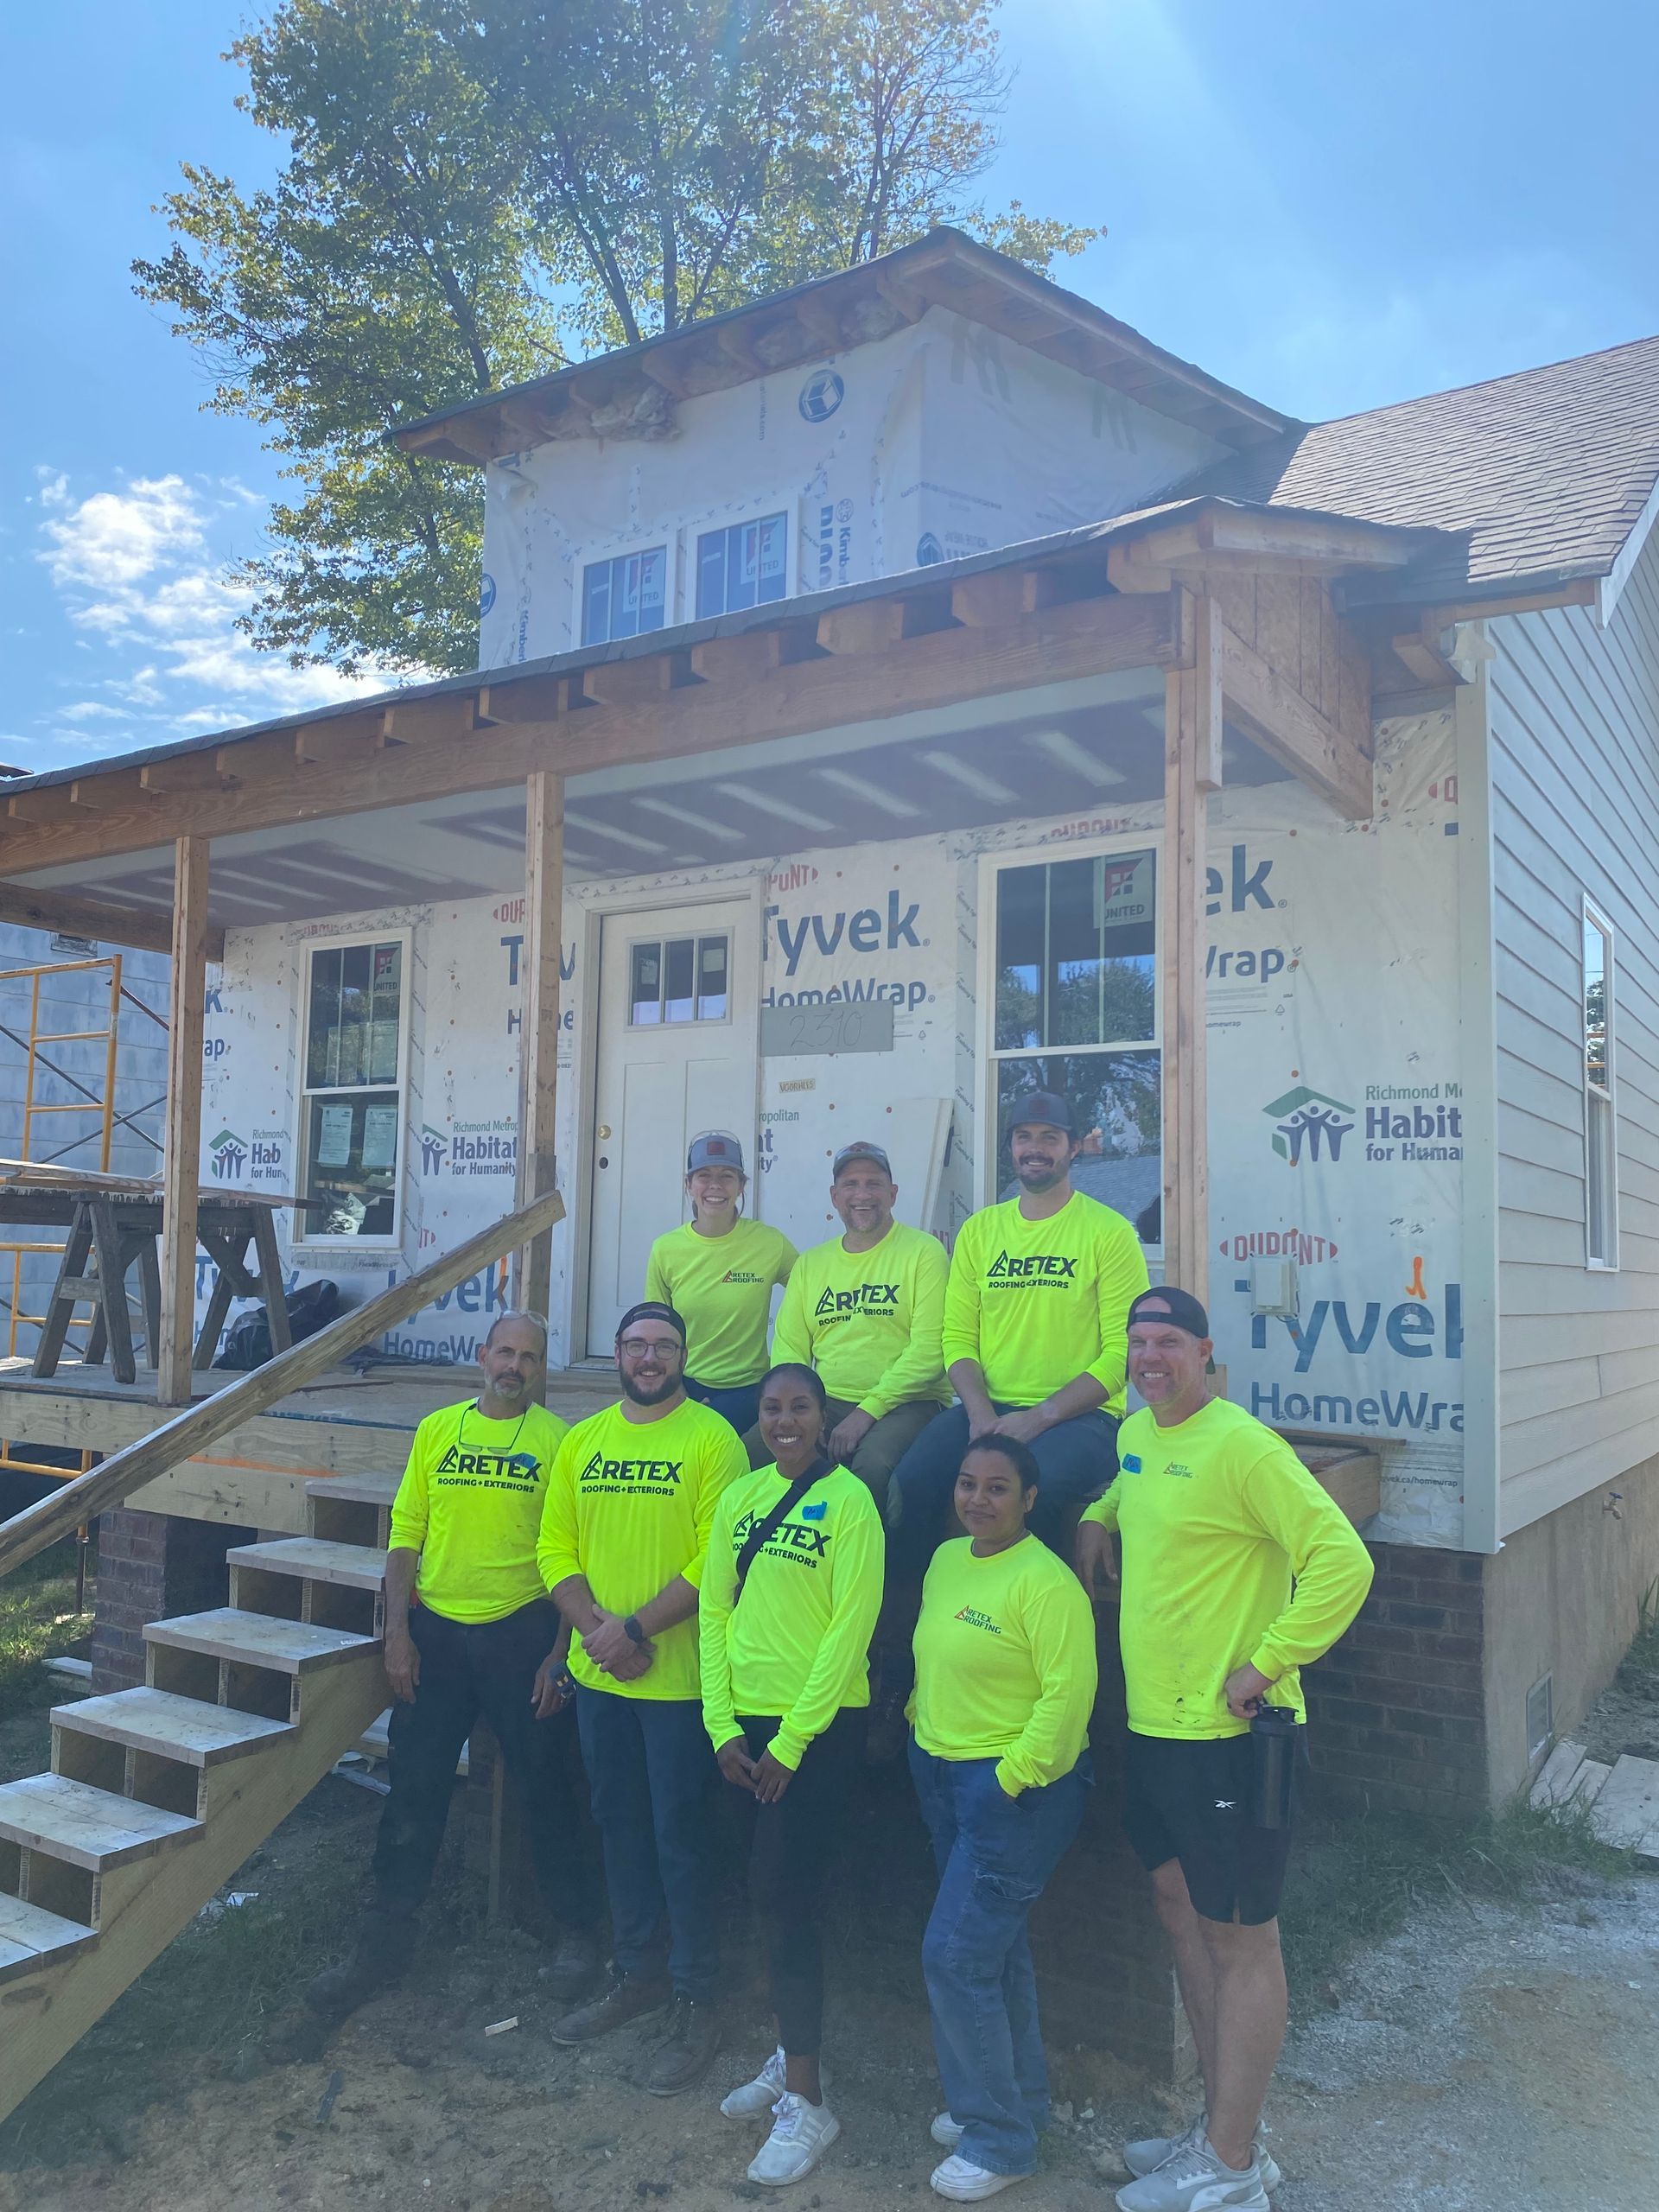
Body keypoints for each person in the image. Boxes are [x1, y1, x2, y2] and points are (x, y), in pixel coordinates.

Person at [1076, 1288, 1375, 2212]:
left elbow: (1343, 1560)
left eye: (1168, 1340)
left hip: (1233, 1740)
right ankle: (1217, 2130)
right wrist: (1096, 1516)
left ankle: (1237, 2165)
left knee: (1243, 1939)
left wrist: (1266, 1662)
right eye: (1138, 1340)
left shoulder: (1244, 1444)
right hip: (1157, 1729)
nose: (1150, 1355)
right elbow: (1134, 1486)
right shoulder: (1139, 1431)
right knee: (1184, 1914)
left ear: (1206, 1353)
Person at [305, 1311, 601, 2018]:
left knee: (549, 1790)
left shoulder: (562, 1443)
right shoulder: (438, 1430)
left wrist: (559, 1656)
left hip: (521, 1634)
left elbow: (574, 1556)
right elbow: (406, 1534)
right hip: (436, 1636)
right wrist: (397, 1634)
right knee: (414, 1789)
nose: (516, 1366)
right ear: (482, 1356)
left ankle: (578, 1934)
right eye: (506, 1352)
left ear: (542, 1369)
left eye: (531, 1357)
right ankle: (385, 1939)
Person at [537, 1300, 750, 2094]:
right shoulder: (584, 1441)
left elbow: (716, 1556)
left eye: (663, 1346)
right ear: (617, 1355)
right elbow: (553, 1545)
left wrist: (633, 1629)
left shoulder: (712, 1439)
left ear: (683, 1356)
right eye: (636, 1344)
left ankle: (698, 1995)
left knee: (681, 1837)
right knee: (618, 1826)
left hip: (680, 1685)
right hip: (602, 1680)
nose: (649, 1357)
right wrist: (598, 1632)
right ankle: (639, 1975)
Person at [704, 1363, 885, 2187]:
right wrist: (719, 1724)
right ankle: (790, 2053)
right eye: (771, 1408)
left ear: (824, 1418)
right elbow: (715, 1610)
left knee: (787, 1897)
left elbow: (851, 1633)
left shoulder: (850, 1504)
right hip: (742, 1729)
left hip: (813, 1735)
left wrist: (792, 1742)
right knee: (765, 1896)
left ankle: (811, 2102)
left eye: (799, 1408)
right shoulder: (740, 1499)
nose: (783, 1421)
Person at [909, 1437, 1097, 2202]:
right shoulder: (949, 1560)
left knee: (954, 1956)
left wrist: (1010, 1779)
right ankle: (1020, 2103)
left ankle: (999, 2139)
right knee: (994, 1953)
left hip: (1017, 1790)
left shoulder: (1047, 1584)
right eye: (966, 1484)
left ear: (1028, 1500)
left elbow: (1068, 1697)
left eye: (996, 1489)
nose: (976, 1500)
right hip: (941, 1771)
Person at [887, 1091, 1149, 1576]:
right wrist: (980, 1414)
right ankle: (918, 1630)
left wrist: (1041, 1417)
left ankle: (1036, 1631)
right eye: (1024, 1137)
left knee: (1033, 1491)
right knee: (912, 1482)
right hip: (986, 1410)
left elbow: (1121, 1355)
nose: (1035, 1148)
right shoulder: (980, 1231)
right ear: (1010, 1147)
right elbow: (958, 1340)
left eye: (1050, 1138)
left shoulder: (1109, 1233)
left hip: (1082, 1421)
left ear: (1073, 1148)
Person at [755, 1139, 948, 1499]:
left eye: (873, 1183)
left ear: (892, 1193)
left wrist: (866, 1413)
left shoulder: (923, 1253)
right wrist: (802, 1410)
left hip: (906, 1404)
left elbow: (929, 1352)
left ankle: (874, 1556)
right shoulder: (811, 1264)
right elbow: (790, 1349)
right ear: (834, 1195)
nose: (862, 1194)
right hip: (826, 1401)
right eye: (850, 1184)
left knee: (870, 1468)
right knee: (748, 1452)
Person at [645, 1132, 798, 1434]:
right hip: (684, 1388)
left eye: (727, 1176)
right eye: (704, 1175)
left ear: (741, 1186)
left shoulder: (770, 1243)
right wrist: (675, 1392)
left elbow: (812, 1291)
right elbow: (655, 1331)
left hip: (751, 1390)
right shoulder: (665, 1249)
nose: (715, 1185)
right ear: (688, 1185)